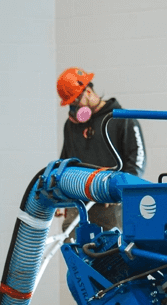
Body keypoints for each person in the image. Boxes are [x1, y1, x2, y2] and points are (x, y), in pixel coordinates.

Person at [55, 67, 146, 235]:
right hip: (81, 203)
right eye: (71, 105)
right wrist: (61, 198)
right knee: (71, 242)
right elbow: (66, 161)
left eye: (76, 102)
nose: (73, 110)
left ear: (88, 91)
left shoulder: (121, 119)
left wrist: (119, 191)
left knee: (114, 248)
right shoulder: (71, 126)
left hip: (111, 204)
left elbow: (137, 160)